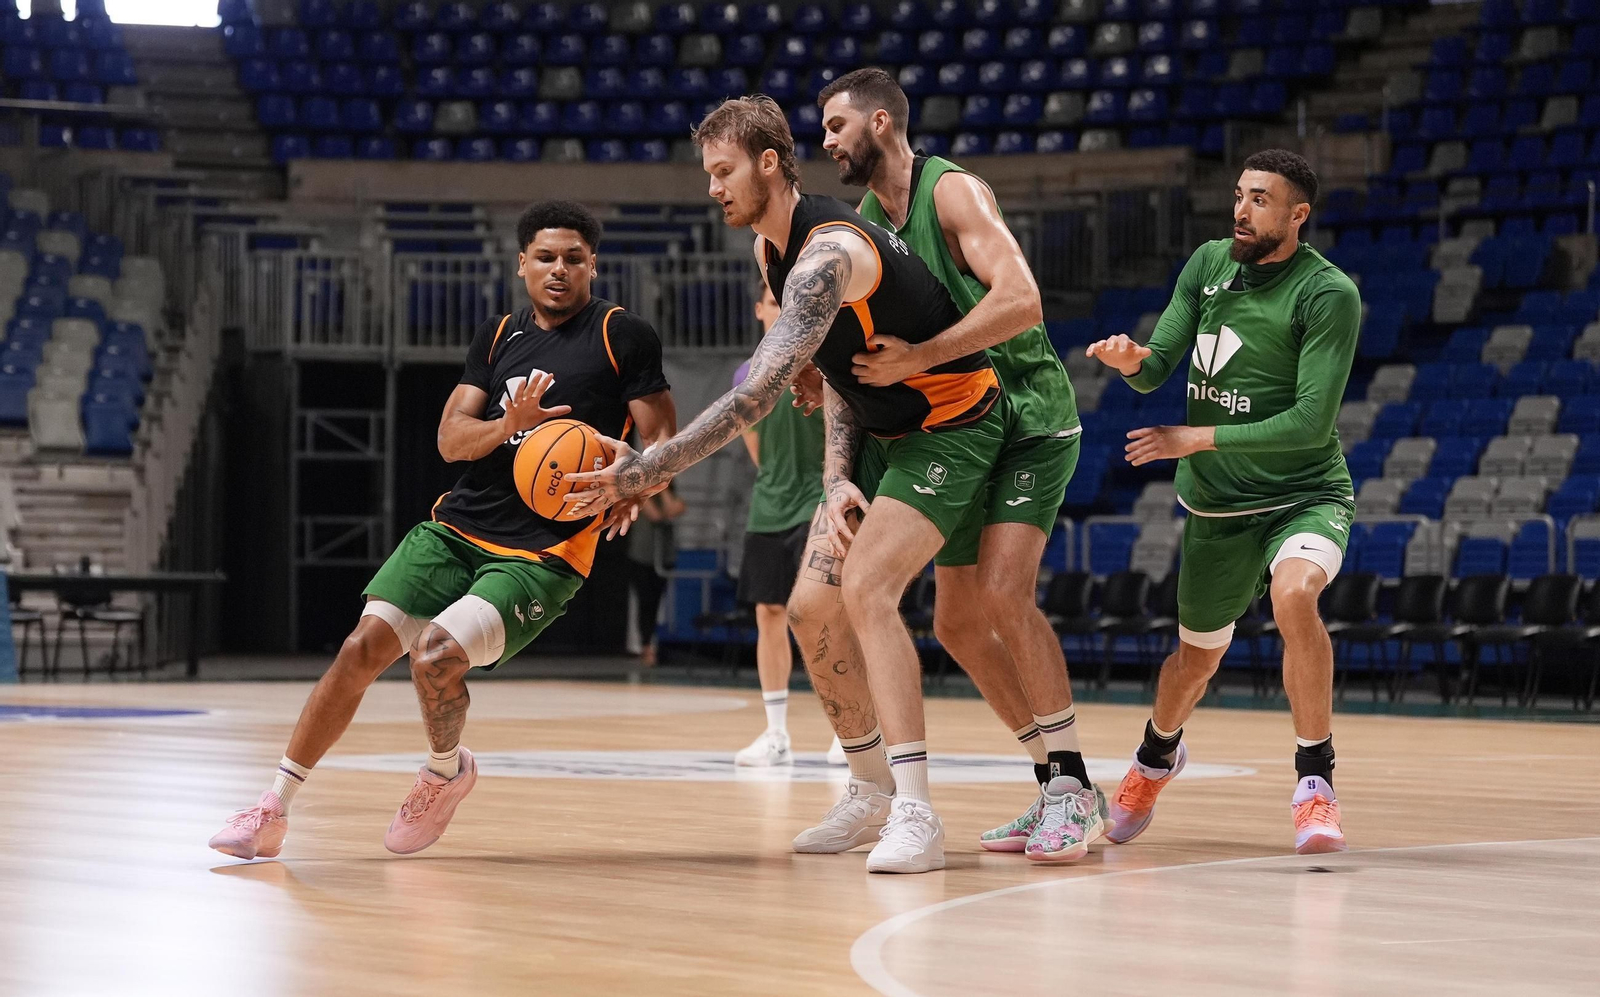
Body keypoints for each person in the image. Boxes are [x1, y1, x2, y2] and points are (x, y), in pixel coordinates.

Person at [566, 96, 1007, 874]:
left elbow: (754, 396)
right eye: (708, 173)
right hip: (879, 438)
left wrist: (642, 469)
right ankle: (868, 790)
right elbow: (835, 371)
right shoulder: (771, 254)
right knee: (808, 606)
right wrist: (836, 477)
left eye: (724, 170)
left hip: (954, 422)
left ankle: (918, 811)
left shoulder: (825, 254)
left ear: (770, 163)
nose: (713, 187)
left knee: (866, 588)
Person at [209, 200, 677, 860]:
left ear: (593, 265)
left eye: (575, 257)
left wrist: (638, 475)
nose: (560, 269)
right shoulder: (496, 336)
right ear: (522, 264)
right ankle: (273, 806)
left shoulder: (623, 335)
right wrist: (509, 422)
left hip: (545, 548)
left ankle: (443, 771)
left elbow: (663, 438)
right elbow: (452, 441)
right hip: (460, 523)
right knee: (359, 649)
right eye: (545, 256)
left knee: (434, 656)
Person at [817, 68, 1106, 862]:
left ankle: (1075, 786)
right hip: (960, 426)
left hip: (1028, 418)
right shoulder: (868, 220)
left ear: (881, 122)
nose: (827, 141)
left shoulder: (952, 194)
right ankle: (1053, 780)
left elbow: (1022, 298)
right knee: (953, 621)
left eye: (838, 125)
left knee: (1007, 595)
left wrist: (921, 357)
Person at [1084, 149, 1361, 854]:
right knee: (1194, 663)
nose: (1241, 209)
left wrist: (1194, 437)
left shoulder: (1328, 294)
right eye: (1239, 194)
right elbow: (1157, 369)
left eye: (1260, 199)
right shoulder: (1209, 264)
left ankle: (1315, 781)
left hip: (1304, 491)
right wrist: (1132, 362)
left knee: (1294, 595)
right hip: (1217, 506)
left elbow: (1309, 423)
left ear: (1297, 214)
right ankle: (1155, 755)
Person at [732, 285, 828, 766]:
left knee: (828, 615)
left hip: (820, 502)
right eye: (773, 298)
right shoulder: (745, 376)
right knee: (768, 613)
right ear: (759, 310)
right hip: (769, 505)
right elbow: (758, 455)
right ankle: (775, 735)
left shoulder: (826, 368)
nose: (782, 306)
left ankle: (848, 732)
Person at [625, 483, 685, 666]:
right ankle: (645, 645)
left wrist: (664, 488)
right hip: (642, 554)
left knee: (659, 601)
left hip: (664, 557)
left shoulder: (671, 492)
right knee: (645, 600)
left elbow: (674, 510)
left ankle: (657, 643)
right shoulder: (640, 493)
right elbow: (656, 515)